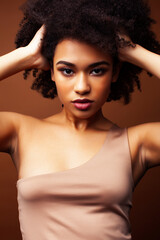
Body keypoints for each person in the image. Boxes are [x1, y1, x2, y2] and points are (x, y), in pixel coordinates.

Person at [0, 0, 160, 239]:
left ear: (115, 72)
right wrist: (25, 56)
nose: (82, 87)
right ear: (51, 71)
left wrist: (133, 51)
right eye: (67, 70)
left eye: (97, 70)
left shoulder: (137, 143)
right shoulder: (19, 132)